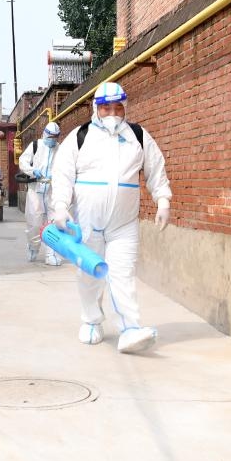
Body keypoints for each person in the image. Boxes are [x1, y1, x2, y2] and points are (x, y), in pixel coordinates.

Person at [51, 82, 171, 354]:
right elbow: (63, 174)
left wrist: (163, 199)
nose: (113, 113)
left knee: (122, 274)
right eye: (106, 107)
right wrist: (60, 205)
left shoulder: (137, 136)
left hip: (124, 224)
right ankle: (91, 319)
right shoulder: (80, 137)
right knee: (90, 273)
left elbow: (155, 169)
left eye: (118, 107)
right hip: (88, 223)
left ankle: (130, 329)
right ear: (96, 108)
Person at [19, 122, 62, 265]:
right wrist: (33, 171)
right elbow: (23, 161)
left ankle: (51, 254)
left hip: (51, 191)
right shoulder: (36, 145)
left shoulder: (60, 149)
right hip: (35, 189)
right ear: (45, 134)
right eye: (50, 136)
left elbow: (65, 168)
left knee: (53, 223)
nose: (53, 140)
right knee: (34, 223)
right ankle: (33, 246)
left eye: (55, 137)